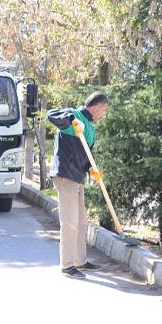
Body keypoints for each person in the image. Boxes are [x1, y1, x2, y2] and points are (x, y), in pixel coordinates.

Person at [47, 90, 109, 278]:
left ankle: (79, 261)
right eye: (104, 110)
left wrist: (92, 169)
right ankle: (67, 266)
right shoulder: (74, 114)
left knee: (81, 222)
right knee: (70, 223)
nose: (103, 114)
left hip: (78, 177)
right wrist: (70, 120)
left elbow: (87, 156)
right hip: (66, 176)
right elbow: (51, 115)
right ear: (96, 107)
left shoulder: (90, 130)